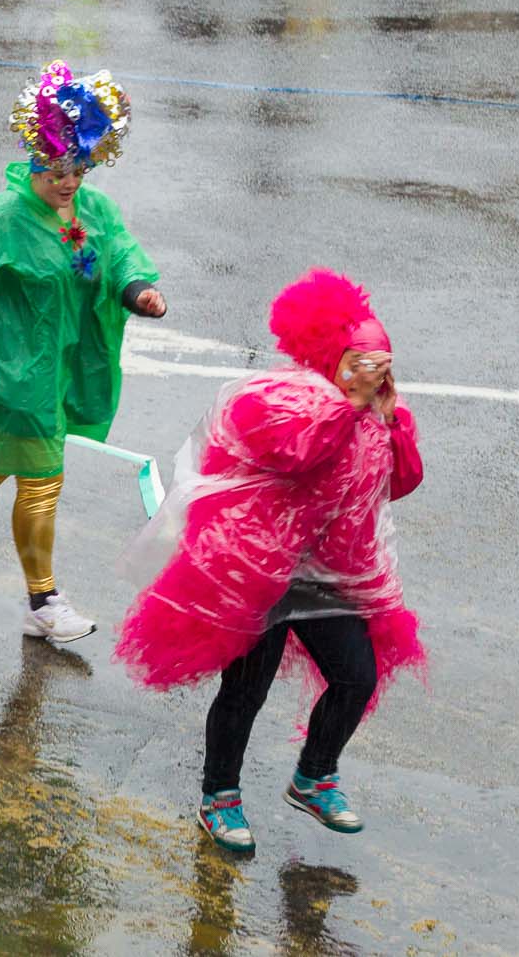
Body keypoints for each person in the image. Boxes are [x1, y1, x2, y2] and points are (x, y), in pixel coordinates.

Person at [117, 270, 424, 854]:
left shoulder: (378, 413)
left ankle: (314, 775)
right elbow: (296, 454)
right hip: (261, 573)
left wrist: (391, 422)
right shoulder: (280, 398)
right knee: (245, 691)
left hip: (330, 579)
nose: (373, 372)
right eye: (361, 360)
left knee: (356, 677)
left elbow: (401, 483)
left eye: (381, 362)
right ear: (333, 356)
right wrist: (350, 407)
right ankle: (219, 796)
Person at [0, 61, 165, 642]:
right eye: (58, 171)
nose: (69, 182)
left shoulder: (93, 212)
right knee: (42, 477)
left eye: (79, 170)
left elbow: (119, 259)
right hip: (14, 375)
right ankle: (44, 601)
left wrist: (139, 292)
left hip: (60, 369)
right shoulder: (5, 218)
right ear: (36, 161)